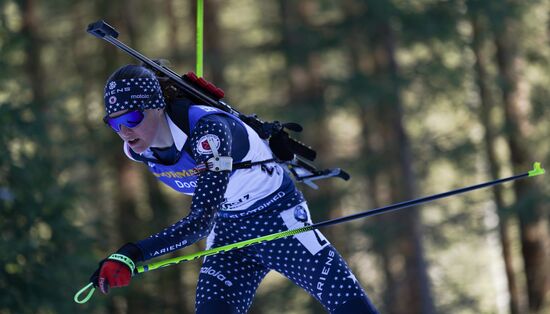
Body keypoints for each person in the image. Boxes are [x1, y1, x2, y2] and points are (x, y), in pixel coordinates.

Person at [90, 64, 379, 314]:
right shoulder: (138, 149)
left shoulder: (210, 132)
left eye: (131, 119)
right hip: (228, 228)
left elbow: (200, 221)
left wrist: (132, 253)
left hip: (275, 219)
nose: (124, 132)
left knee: (349, 306)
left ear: (156, 105)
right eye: (114, 123)